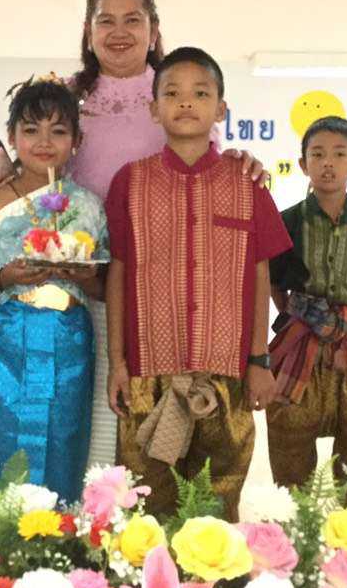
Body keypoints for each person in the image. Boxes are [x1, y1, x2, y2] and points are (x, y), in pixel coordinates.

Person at [65, 0, 267, 470]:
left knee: (137, 423)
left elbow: (207, 165)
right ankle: (94, 515)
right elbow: (34, 163)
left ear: (154, 30)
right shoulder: (66, 98)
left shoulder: (173, 89)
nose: (119, 32)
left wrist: (243, 161)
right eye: (105, 21)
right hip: (77, 279)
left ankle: (149, 513)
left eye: (132, 19)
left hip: (156, 288)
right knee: (82, 419)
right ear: (88, 32)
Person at [105, 47, 291, 520]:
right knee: (146, 513)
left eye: (201, 93)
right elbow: (119, 272)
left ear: (221, 109)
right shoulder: (130, 182)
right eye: (172, 93)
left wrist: (259, 360)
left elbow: (260, 274)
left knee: (217, 511)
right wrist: (117, 363)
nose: (186, 102)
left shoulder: (247, 183)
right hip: (148, 376)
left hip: (226, 377)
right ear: (154, 108)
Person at [0, 76, 110, 503]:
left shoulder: (89, 205)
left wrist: (81, 276)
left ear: (76, 141)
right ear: (11, 137)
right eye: (30, 130)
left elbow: (104, 289)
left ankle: (57, 536)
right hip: (4, 342)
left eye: (58, 131)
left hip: (69, 340)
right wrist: (3, 279)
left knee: (62, 444)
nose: (44, 142)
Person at [266, 116, 347, 507]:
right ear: (302, 164)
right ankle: (297, 520)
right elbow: (273, 280)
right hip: (298, 340)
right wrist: (299, 317)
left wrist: (340, 321)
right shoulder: (285, 222)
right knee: (289, 432)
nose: (328, 163)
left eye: (340, 154)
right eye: (317, 154)